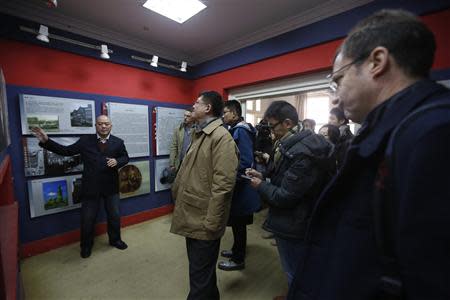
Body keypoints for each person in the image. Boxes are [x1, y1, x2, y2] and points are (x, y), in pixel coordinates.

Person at [288, 9, 450, 300]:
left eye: (338, 80)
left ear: (377, 62)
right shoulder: (394, 130)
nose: (335, 98)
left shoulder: (432, 135)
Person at [245, 101, 334, 297]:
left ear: (287, 123)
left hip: (296, 222)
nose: (270, 131)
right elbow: (284, 181)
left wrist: (261, 186)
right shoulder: (294, 144)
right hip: (296, 218)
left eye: (272, 126)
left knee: (295, 270)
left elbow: (285, 196)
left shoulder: (302, 152)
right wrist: (264, 179)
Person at [170, 91, 239, 300]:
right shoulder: (200, 133)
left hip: (204, 220)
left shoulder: (221, 138)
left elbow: (223, 186)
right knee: (203, 274)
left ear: (207, 108)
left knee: (199, 277)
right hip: (193, 214)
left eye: (197, 103)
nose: (193, 105)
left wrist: (212, 221)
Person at [32, 115, 129, 258]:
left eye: (106, 124)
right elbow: (66, 151)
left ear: (111, 126)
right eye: (100, 124)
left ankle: (115, 240)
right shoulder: (85, 141)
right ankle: (86, 246)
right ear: (95, 126)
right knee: (87, 218)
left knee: (114, 215)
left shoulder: (118, 142)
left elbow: (125, 157)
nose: (103, 126)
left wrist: (117, 161)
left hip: (111, 187)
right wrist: (47, 141)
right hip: (91, 187)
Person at [218, 100, 261, 271]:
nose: (224, 115)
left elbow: (244, 160)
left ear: (235, 114)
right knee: (238, 222)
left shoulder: (240, 131)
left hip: (241, 186)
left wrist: (231, 180)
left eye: (226, 112)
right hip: (241, 185)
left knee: (238, 222)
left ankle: (238, 259)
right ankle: (237, 250)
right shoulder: (237, 129)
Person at [169, 109, 194, 173]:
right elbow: (174, 147)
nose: (185, 118)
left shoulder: (197, 130)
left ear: (193, 117)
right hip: (179, 163)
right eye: (184, 115)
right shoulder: (178, 129)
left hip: (192, 164)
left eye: (188, 116)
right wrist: (172, 164)